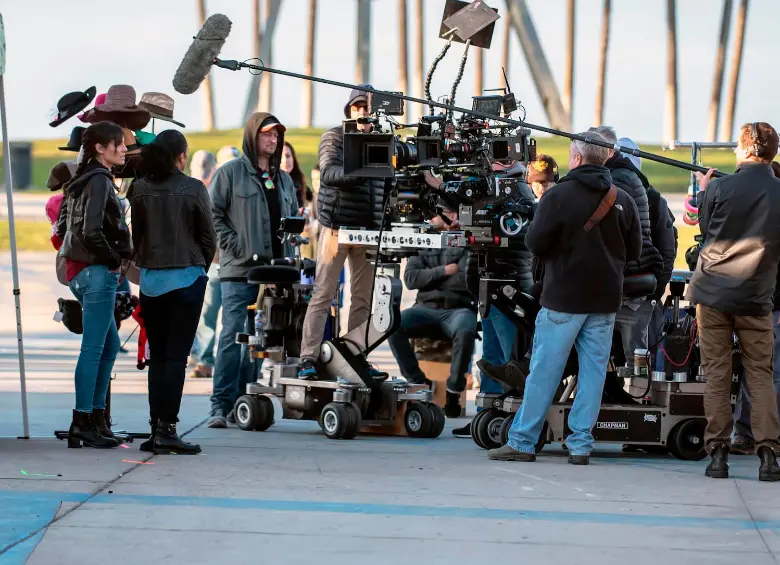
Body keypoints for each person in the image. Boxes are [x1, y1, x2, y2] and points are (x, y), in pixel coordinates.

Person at [488, 132, 641, 465]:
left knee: (545, 370)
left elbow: (535, 243)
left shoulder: (558, 197)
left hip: (563, 298)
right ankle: (581, 444)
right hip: (604, 301)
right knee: (593, 373)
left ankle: (523, 440)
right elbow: (636, 251)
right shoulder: (622, 199)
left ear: (577, 158)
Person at [687, 122, 780, 481]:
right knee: (761, 374)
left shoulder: (720, 188)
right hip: (757, 296)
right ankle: (769, 453)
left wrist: (707, 191)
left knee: (717, 373)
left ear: (742, 150)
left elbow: (707, 233)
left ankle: (718, 454)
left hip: (712, 293)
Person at [207, 114, 298, 428]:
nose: (272, 141)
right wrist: (235, 245)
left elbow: (293, 221)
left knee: (260, 343)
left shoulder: (283, 180)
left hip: (274, 274)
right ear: (252, 137)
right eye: (266, 135)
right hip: (239, 271)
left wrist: (289, 260)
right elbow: (212, 216)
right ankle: (219, 405)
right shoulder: (230, 174)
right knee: (233, 337)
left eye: (276, 136)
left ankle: (241, 403)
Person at [129, 130, 216, 454]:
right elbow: (208, 238)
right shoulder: (193, 188)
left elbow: (137, 237)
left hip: (152, 283)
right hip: (185, 280)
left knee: (159, 358)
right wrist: (199, 270)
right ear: (182, 157)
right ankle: (168, 428)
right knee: (176, 358)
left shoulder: (138, 188)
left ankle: (156, 428)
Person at [297, 86, 388, 380]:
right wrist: (361, 167)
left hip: (368, 229)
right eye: (358, 106)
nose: (363, 112)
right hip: (335, 226)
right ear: (349, 110)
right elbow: (328, 173)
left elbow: (387, 186)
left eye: (367, 107)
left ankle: (355, 358)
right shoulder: (334, 136)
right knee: (323, 293)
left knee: (362, 298)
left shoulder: (383, 140)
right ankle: (308, 358)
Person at [55, 121, 133, 449]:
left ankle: (96, 419)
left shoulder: (82, 179)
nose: (125, 149)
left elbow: (61, 229)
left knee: (109, 346)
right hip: (96, 272)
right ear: (101, 148)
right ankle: (82, 421)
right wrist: (114, 260)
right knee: (94, 348)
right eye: (119, 144)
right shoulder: (100, 179)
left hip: (83, 272)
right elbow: (91, 231)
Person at [451, 158, 539, 437]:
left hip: (506, 288)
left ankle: (514, 417)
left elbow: (516, 236)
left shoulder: (518, 191)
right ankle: (486, 414)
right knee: (489, 356)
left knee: (508, 357)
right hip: (487, 287)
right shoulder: (492, 188)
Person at [387, 201, 477, 418]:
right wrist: (445, 270)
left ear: (452, 214)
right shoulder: (424, 239)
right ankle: (418, 382)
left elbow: (466, 281)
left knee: (466, 329)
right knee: (392, 324)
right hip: (425, 308)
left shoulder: (467, 240)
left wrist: (429, 277)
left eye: (436, 213)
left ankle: (454, 389)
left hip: (458, 309)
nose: (429, 218)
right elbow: (410, 279)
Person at [589, 126, 664, 374]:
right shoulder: (638, 187)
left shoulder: (621, 185)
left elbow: (664, 246)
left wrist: (654, 295)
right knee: (627, 360)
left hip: (631, 290)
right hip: (630, 286)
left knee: (634, 363)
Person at [187, 150, 220, 379]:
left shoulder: (218, 192)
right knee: (199, 311)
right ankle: (198, 354)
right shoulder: (188, 191)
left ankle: (206, 358)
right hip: (193, 262)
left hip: (215, 261)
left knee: (209, 311)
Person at [280, 141, 311, 209]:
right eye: (280, 157)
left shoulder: (299, 182)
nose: (285, 160)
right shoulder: (271, 184)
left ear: (293, 158)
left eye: (288, 156)